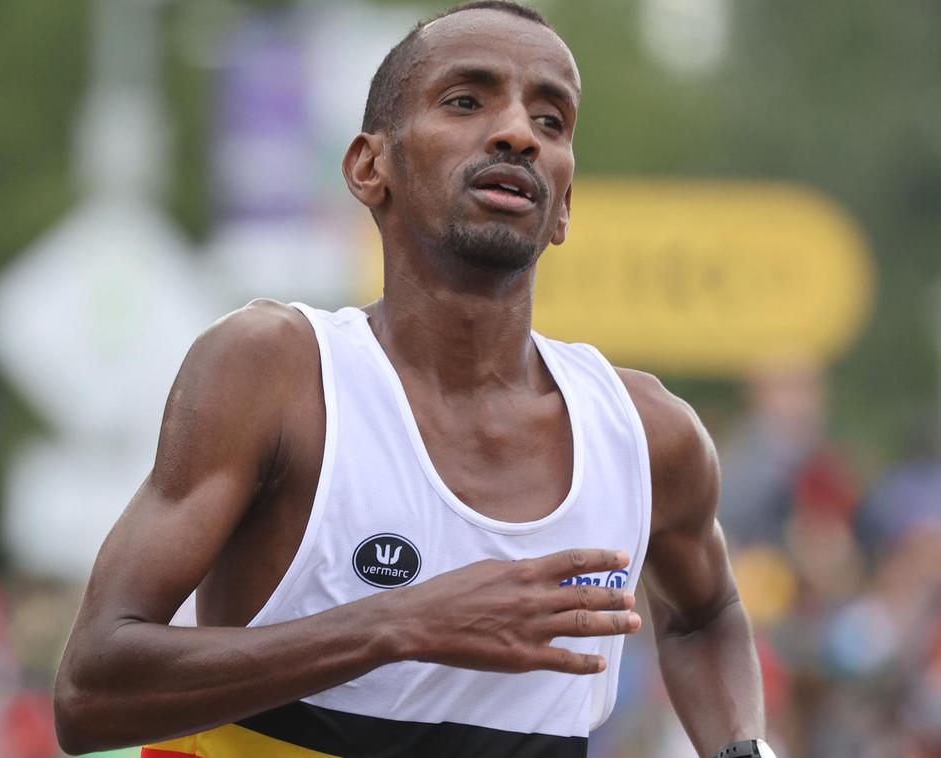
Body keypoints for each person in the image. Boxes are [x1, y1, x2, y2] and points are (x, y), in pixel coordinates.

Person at [54, 2, 771, 756]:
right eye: (466, 101)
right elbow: (90, 692)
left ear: (564, 205)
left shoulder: (645, 432)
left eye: (552, 121)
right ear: (370, 167)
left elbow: (705, 612)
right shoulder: (276, 374)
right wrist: (399, 625)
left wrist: (743, 750)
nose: (518, 133)